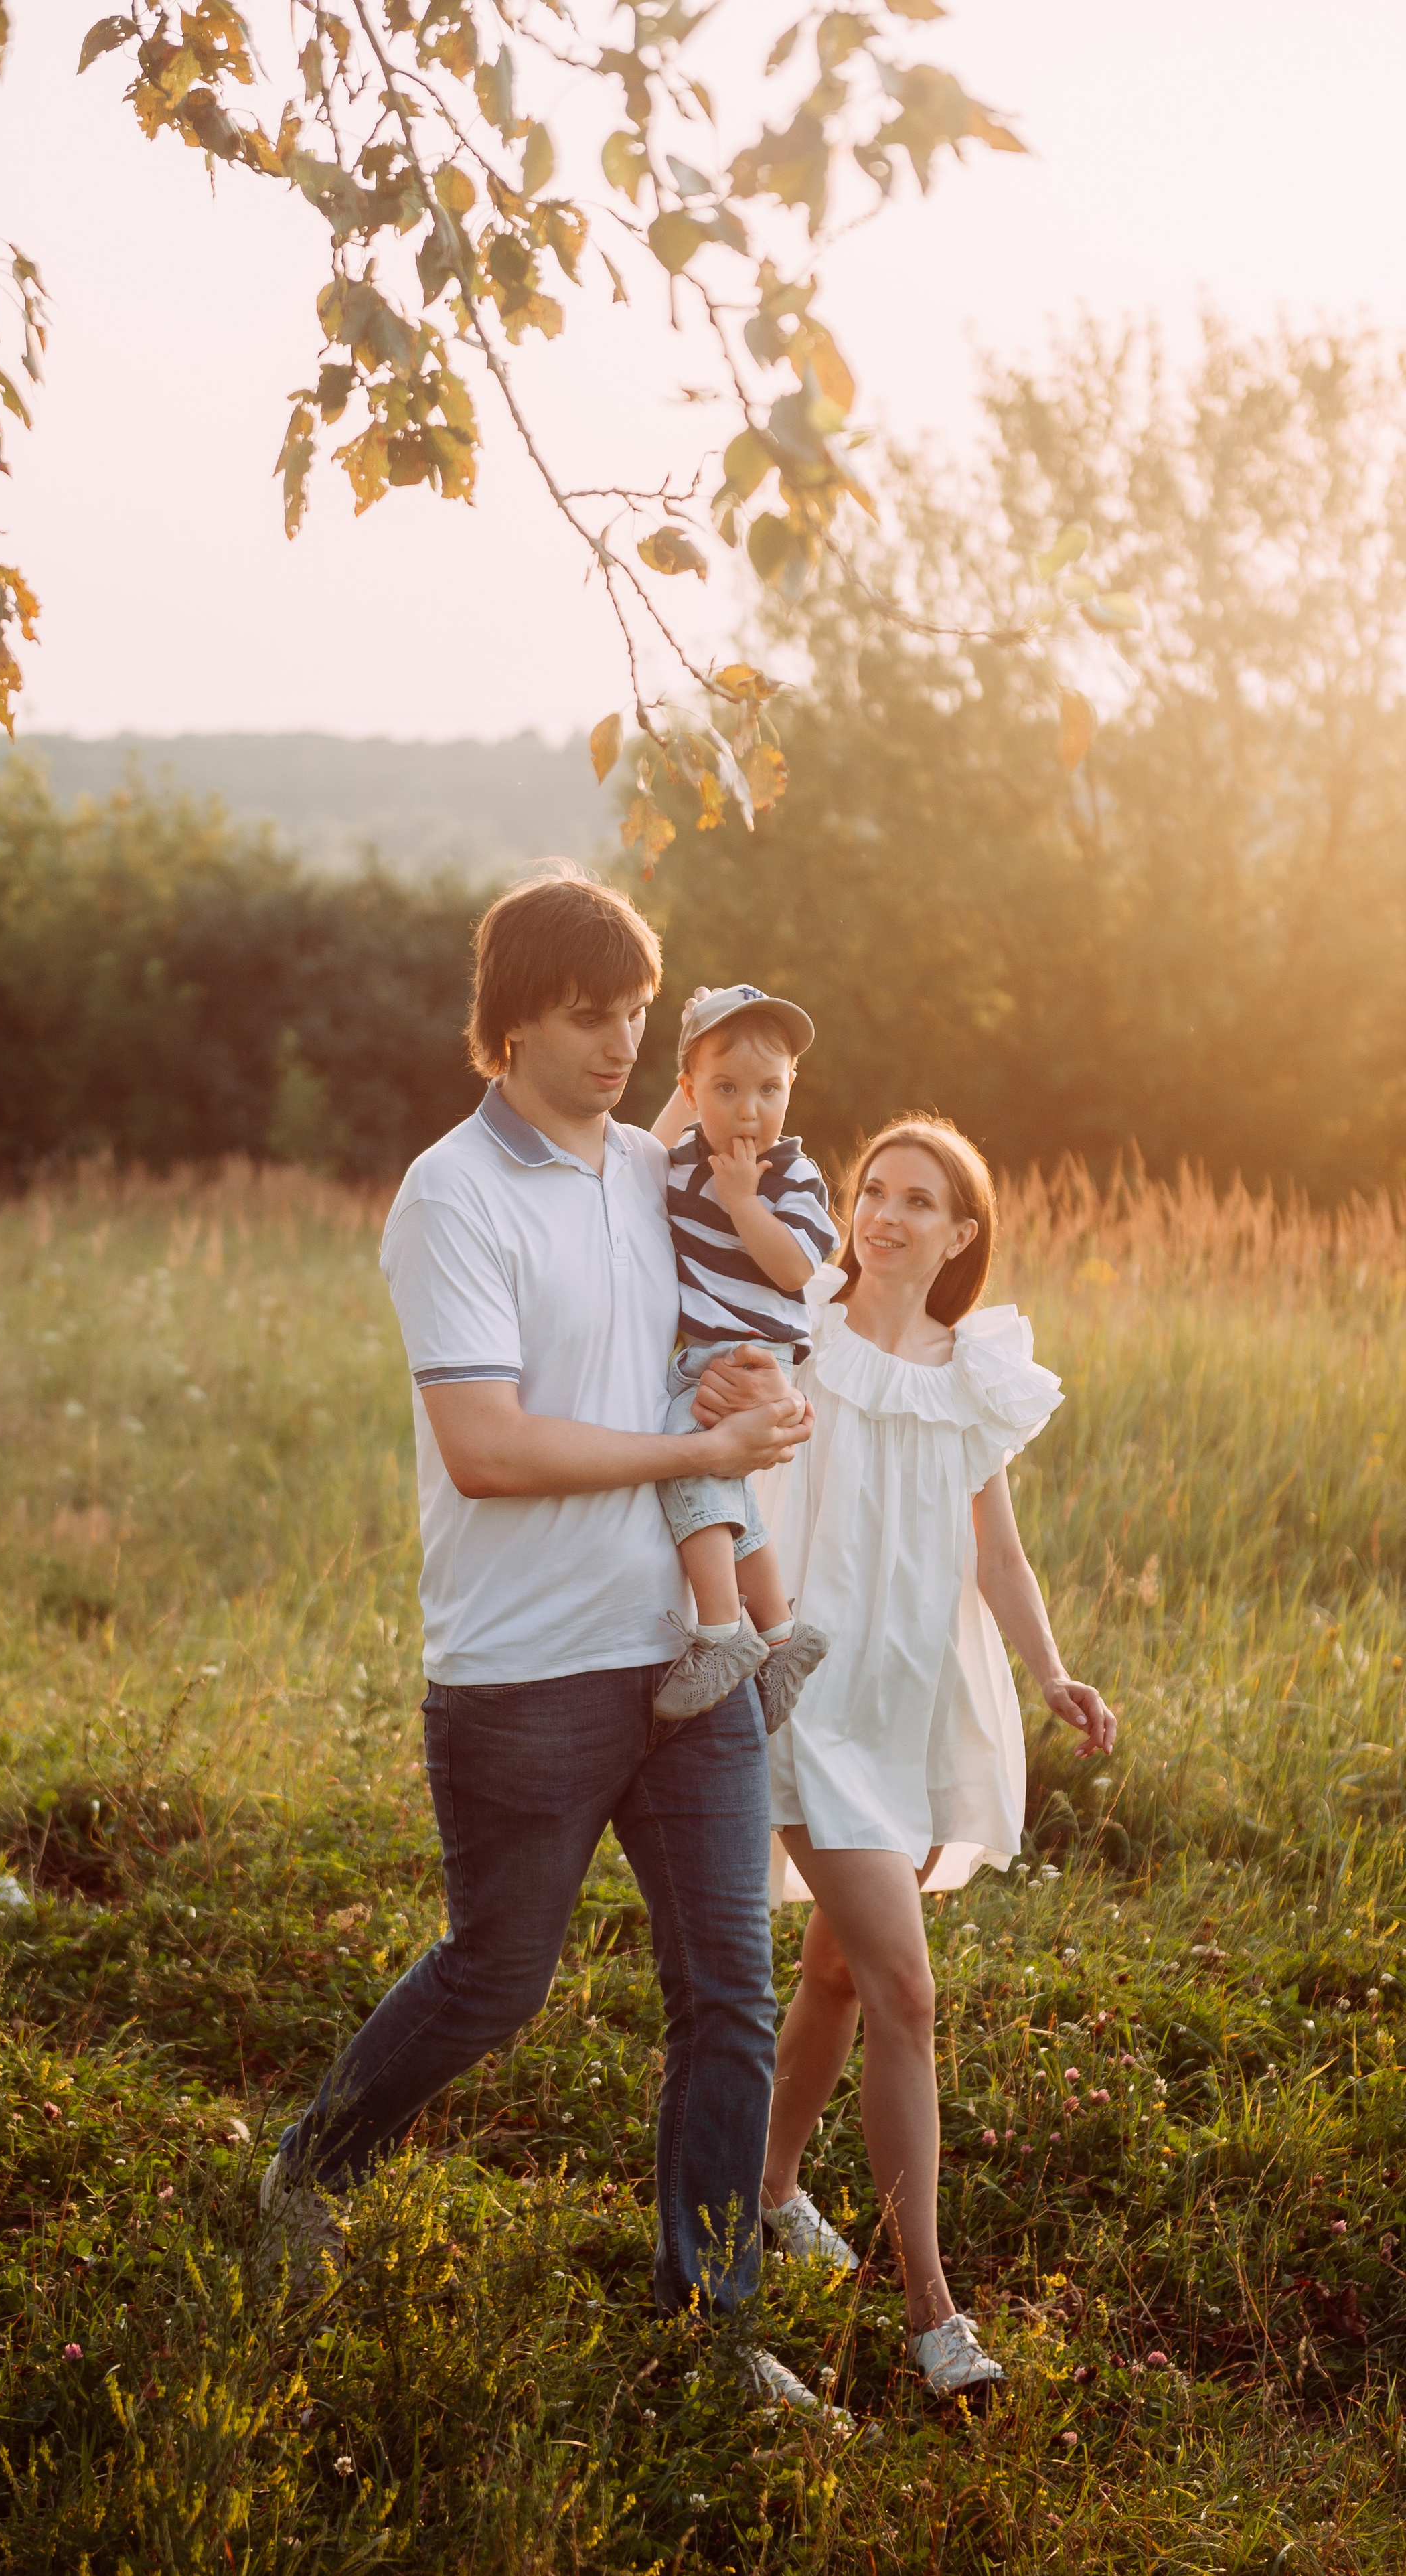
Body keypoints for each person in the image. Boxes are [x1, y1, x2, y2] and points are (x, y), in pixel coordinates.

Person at [260, 870, 831, 2414]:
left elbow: (713, 1322)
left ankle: (710, 2327)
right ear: (509, 1020)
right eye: (590, 1015)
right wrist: (693, 1455)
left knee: (731, 1991)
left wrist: (742, 1398)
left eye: (635, 1012)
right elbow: (488, 1446)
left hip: (688, 1656)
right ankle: (309, 2164)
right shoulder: (450, 1195)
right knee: (498, 1976)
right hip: (522, 1668)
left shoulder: (651, 1171)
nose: (621, 1043)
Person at [690, 1112, 1118, 2403]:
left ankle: (773, 2189)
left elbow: (999, 1553)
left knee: (835, 1969)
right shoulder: (799, 1323)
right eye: (875, 1189)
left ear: (960, 1232)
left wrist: (1051, 1672)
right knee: (906, 1991)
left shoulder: (975, 1373)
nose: (885, 1212)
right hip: (806, 1686)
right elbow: (712, 1426)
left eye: (919, 1199)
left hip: (911, 1702)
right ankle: (934, 2312)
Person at [647, 985, 834, 1728]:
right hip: (706, 1356)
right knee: (730, 1498)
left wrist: (743, 1202)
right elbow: (642, 1154)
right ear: (692, 1091)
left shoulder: (793, 1175)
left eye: (769, 1089)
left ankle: (723, 1632)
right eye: (724, 1089)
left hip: (754, 1358)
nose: (749, 1110)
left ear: (793, 1087)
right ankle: (782, 1635)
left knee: (684, 1462)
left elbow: (793, 1267)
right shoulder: (682, 1162)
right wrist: (689, 1046)